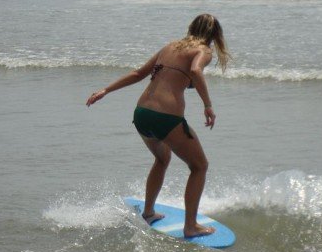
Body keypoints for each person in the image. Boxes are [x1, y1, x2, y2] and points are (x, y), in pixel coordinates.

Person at [86, 14, 230, 238]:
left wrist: (105, 90)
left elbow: (138, 73)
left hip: (142, 114)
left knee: (163, 158)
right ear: (214, 35)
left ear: (191, 27)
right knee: (199, 166)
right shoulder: (203, 50)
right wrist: (208, 105)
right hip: (166, 118)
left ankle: (149, 212)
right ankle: (190, 226)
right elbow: (195, 70)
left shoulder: (170, 47)